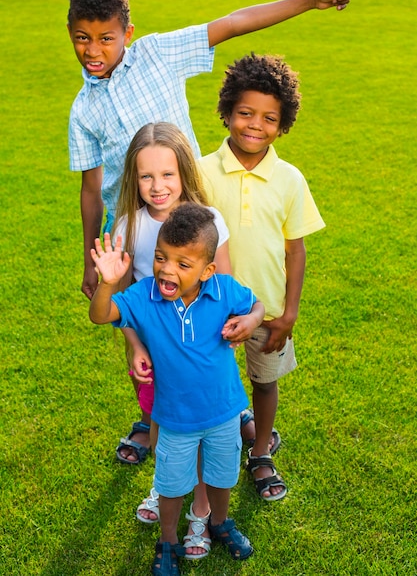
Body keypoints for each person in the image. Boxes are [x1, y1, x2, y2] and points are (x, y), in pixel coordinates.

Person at [67, 0, 366, 301]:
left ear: (128, 33)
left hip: (186, 215)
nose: (93, 51)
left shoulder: (156, 54)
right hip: (130, 228)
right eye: (82, 38)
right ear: (69, 33)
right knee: (142, 323)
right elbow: (91, 190)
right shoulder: (81, 110)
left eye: (106, 39)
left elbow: (234, 23)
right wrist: (88, 261)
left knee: (206, 311)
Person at [89, 203, 265, 576]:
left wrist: (250, 320)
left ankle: (219, 522)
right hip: (173, 419)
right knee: (170, 486)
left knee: (221, 478)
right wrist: (107, 283)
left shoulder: (223, 289)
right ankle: (167, 539)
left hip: (224, 413)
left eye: (183, 265)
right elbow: (101, 315)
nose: (167, 270)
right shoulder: (143, 295)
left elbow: (257, 305)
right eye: (160, 258)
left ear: (207, 270)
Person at [198, 53, 326, 502]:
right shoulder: (200, 170)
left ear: (283, 124)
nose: (255, 125)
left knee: (265, 381)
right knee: (209, 380)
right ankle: (213, 445)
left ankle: (260, 450)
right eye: (245, 113)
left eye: (269, 118)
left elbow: (296, 248)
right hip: (208, 307)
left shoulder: (289, 179)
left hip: (268, 310)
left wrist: (289, 312)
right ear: (227, 112)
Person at [109, 121, 233, 557]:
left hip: (200, 352)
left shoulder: (209, 221)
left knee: (201, 429)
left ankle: (200, 511)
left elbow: (226, 286)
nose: (157, 186)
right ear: (133, 178)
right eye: (146, 176)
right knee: (163, 426)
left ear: (184, 173)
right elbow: (122, 300)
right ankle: (165, 491)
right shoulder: (129, 225)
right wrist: (136, 344)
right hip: (155, 352)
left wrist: (229, 331)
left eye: (167, 175)